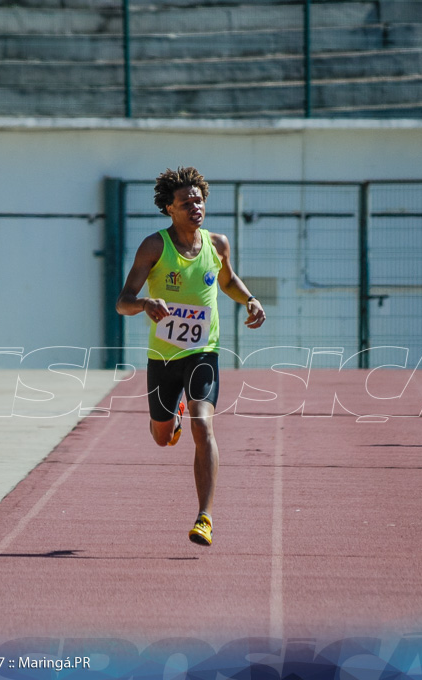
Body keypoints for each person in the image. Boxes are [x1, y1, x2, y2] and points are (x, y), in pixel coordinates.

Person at [116, 167, 266, 546]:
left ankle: (205, 517)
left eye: (199, 200)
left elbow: (227, 280)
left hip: (203, 352)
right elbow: (122, 302)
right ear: (169, 208)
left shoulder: (217, 244)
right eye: (186, 203)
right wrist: (146, 303)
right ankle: (169, 421)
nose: (195, 206)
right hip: (163, 358)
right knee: (162, 437)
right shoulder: (154, 246)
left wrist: (249, 300)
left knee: (205, 426)